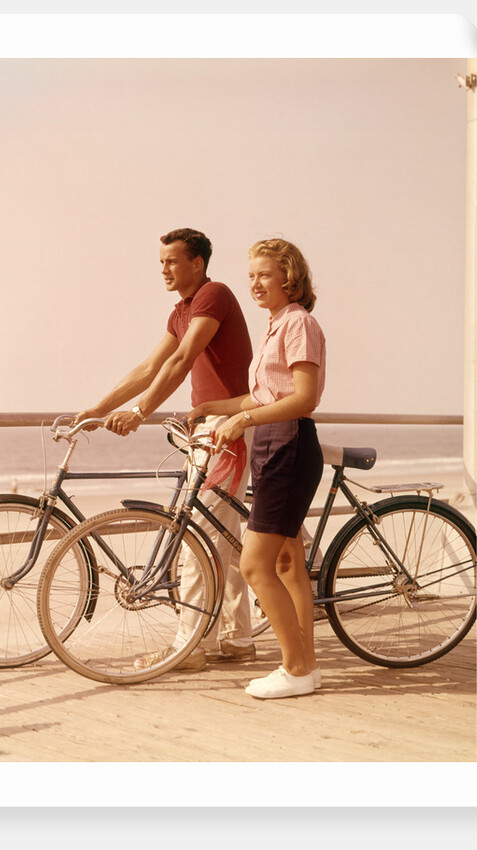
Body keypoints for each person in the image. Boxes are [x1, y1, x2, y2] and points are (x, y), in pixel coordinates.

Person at [74, 227, 256, 670]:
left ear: (197, 263)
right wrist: (96, 409)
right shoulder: (181, 312)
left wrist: (139, 412)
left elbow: (182, 360)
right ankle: (235, 638)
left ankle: (190, 646)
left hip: (227, 428)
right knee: (221, 536)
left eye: (172, 261)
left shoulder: (214, 295)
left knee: (199, 536)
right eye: (161, 262)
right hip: (208, 427)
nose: (164, 270)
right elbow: (151, 365)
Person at [188, 237, 326, 699]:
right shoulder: (275, 326)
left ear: (289, 276)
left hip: (289, 444)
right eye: (250, 276)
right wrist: (215, 406)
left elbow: (304, 398)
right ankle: (306, 663)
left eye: (264, 274)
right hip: (271, 442)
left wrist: (243, 419)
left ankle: (296, 669)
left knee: (253, 564)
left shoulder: (299, 324)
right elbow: (263, 395)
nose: (254, 283)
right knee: (287, 563)